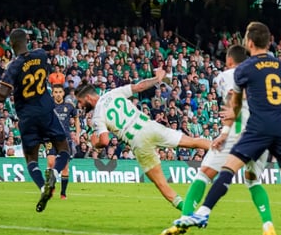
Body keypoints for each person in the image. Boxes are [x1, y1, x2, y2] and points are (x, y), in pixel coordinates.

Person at [164, 22, 281, 235]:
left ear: (248, 44)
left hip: (249, 132)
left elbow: (232, 98)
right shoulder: (279, 66)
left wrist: (226, 128)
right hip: (277, 130)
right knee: (270, 179)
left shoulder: (234, 73)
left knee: (211, 173)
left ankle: (193, 215)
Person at [178, 44, 278, 235]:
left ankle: (186, 217)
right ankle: (268, 225)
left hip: (237, 133)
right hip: (263, 132)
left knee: (205, 173)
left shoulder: (225, 76)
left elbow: (233, 101)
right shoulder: (260, 75)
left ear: (229, 61)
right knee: (252, 180)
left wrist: (224, 133)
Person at [76, 68, 211, 208]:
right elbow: (139, 86)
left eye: (80, 102)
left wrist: (94, 144)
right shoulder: (113, 93)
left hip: (138, 141)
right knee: (193, 142)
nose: (80, 105)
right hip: (149, 126)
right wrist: (157, 79)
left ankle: (186, 210)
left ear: (87, 98)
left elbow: (104, 141)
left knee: (161, 183)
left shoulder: (97, 115)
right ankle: (224, 150)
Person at [0, 28, 72, 212]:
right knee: (64, 149)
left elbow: (1, 95)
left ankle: (43, 187)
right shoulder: (41, 55)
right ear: (27, 41)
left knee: (31, 159)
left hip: (27, 117)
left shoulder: (14, 67)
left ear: (11, 45)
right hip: (46, 111)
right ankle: (54, 174)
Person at [47, 85, 76, 199]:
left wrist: (77, 134)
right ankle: (52, 185)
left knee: (64, 167)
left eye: (60, 92)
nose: (58, 94)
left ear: (63, 93)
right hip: (51, 138)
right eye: (56, 92)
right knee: (51, 163)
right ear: (53, 93)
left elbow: (76, 117)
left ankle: (63, 193)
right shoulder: (48, 106)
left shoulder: (69, 106)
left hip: (65, 140)